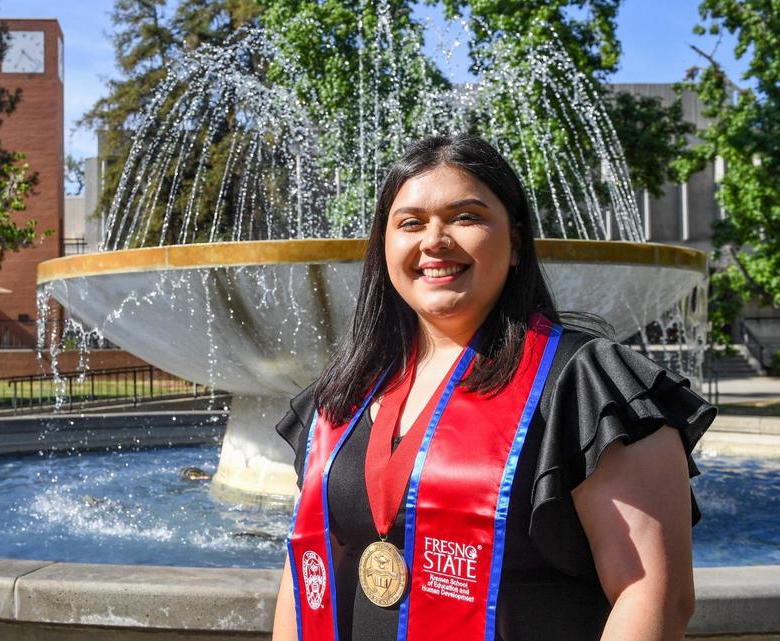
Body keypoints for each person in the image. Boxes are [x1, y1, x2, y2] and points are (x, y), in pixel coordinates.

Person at [270, 134, 715, 641]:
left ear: (517, 242)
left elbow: (654, 594)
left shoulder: (585, 383)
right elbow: (306, 570)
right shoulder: (345, 394)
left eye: (466, 217)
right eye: (410, 222)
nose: (434, 240)